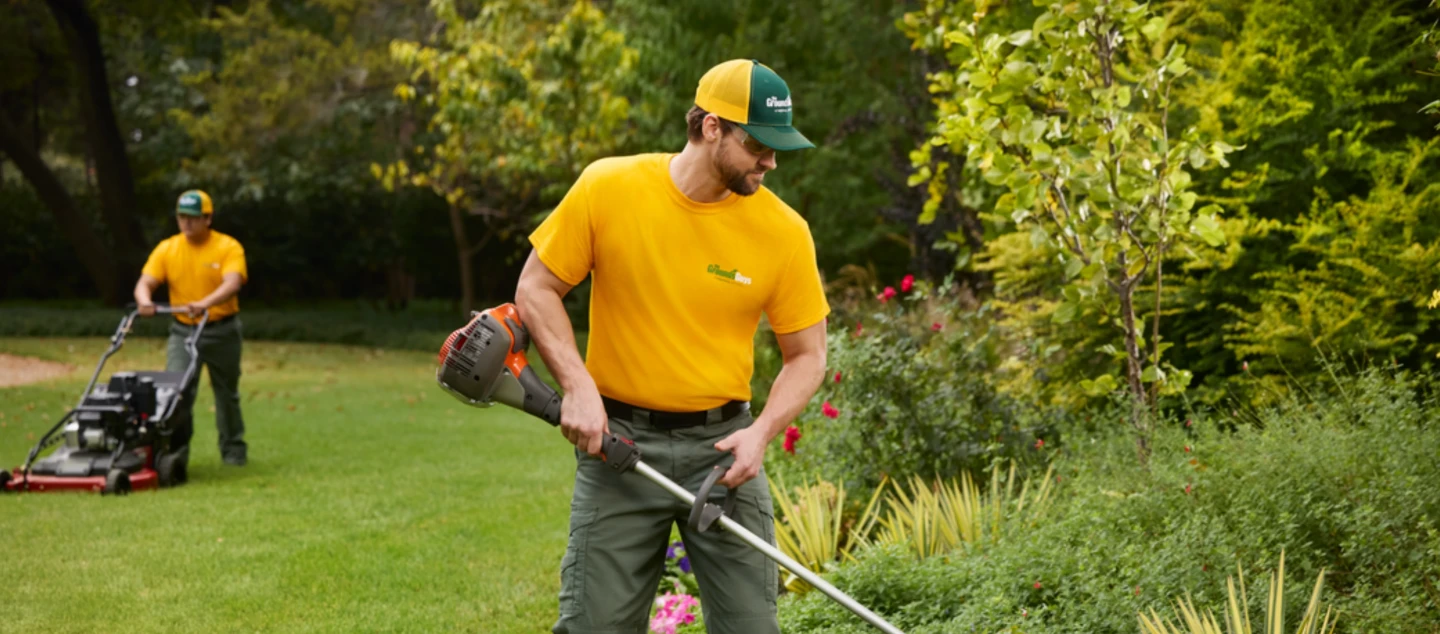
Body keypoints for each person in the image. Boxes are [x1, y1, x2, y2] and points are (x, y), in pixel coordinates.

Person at [516, 59, 829, 634]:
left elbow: (808, 355)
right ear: (712, 127)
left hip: (724, 454)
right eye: (758, 144)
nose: (771, 161)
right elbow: (537, 287)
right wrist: (579, 388)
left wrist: (760, 435)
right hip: (617, 448)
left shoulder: (783, 231)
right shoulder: (609, 187)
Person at [133, 189, 249, 472]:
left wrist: (204, 304)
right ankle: (175, 454)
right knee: (177, 393)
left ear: (208, 218)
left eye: (194, 218)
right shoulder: (167, 249)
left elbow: (233, 282)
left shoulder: (228, 247)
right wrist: (144, 302)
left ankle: (233, 451)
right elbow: (145, 281)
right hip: (183, 332)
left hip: (222, 331)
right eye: (182, 217)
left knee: (227, 394)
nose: (187, 223)